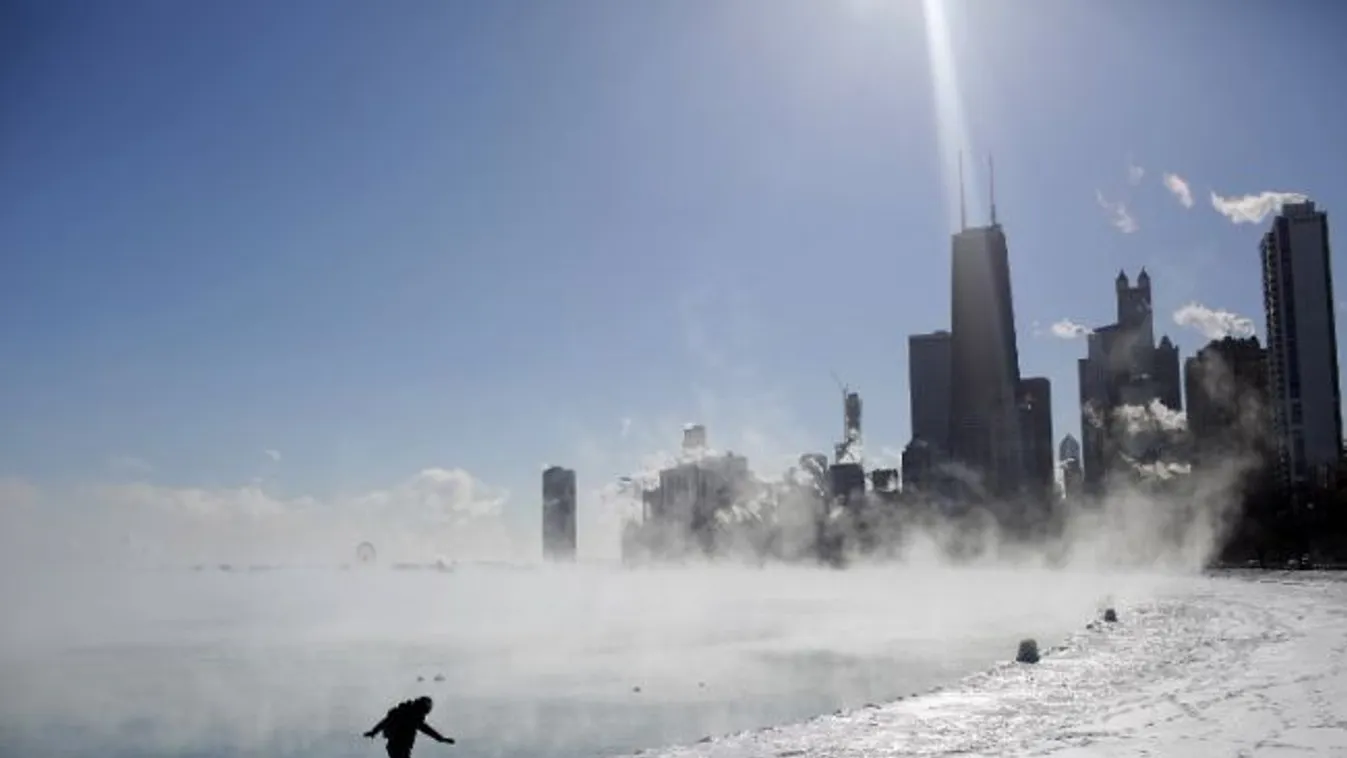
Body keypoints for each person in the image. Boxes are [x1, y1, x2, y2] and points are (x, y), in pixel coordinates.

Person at [364, 696, 455, 758]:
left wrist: (373, 732)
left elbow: (385, 722)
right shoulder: (413, 717)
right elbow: (427, 730)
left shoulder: (403, 712)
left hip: (394, 746)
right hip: (399, 748)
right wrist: (441, 739)